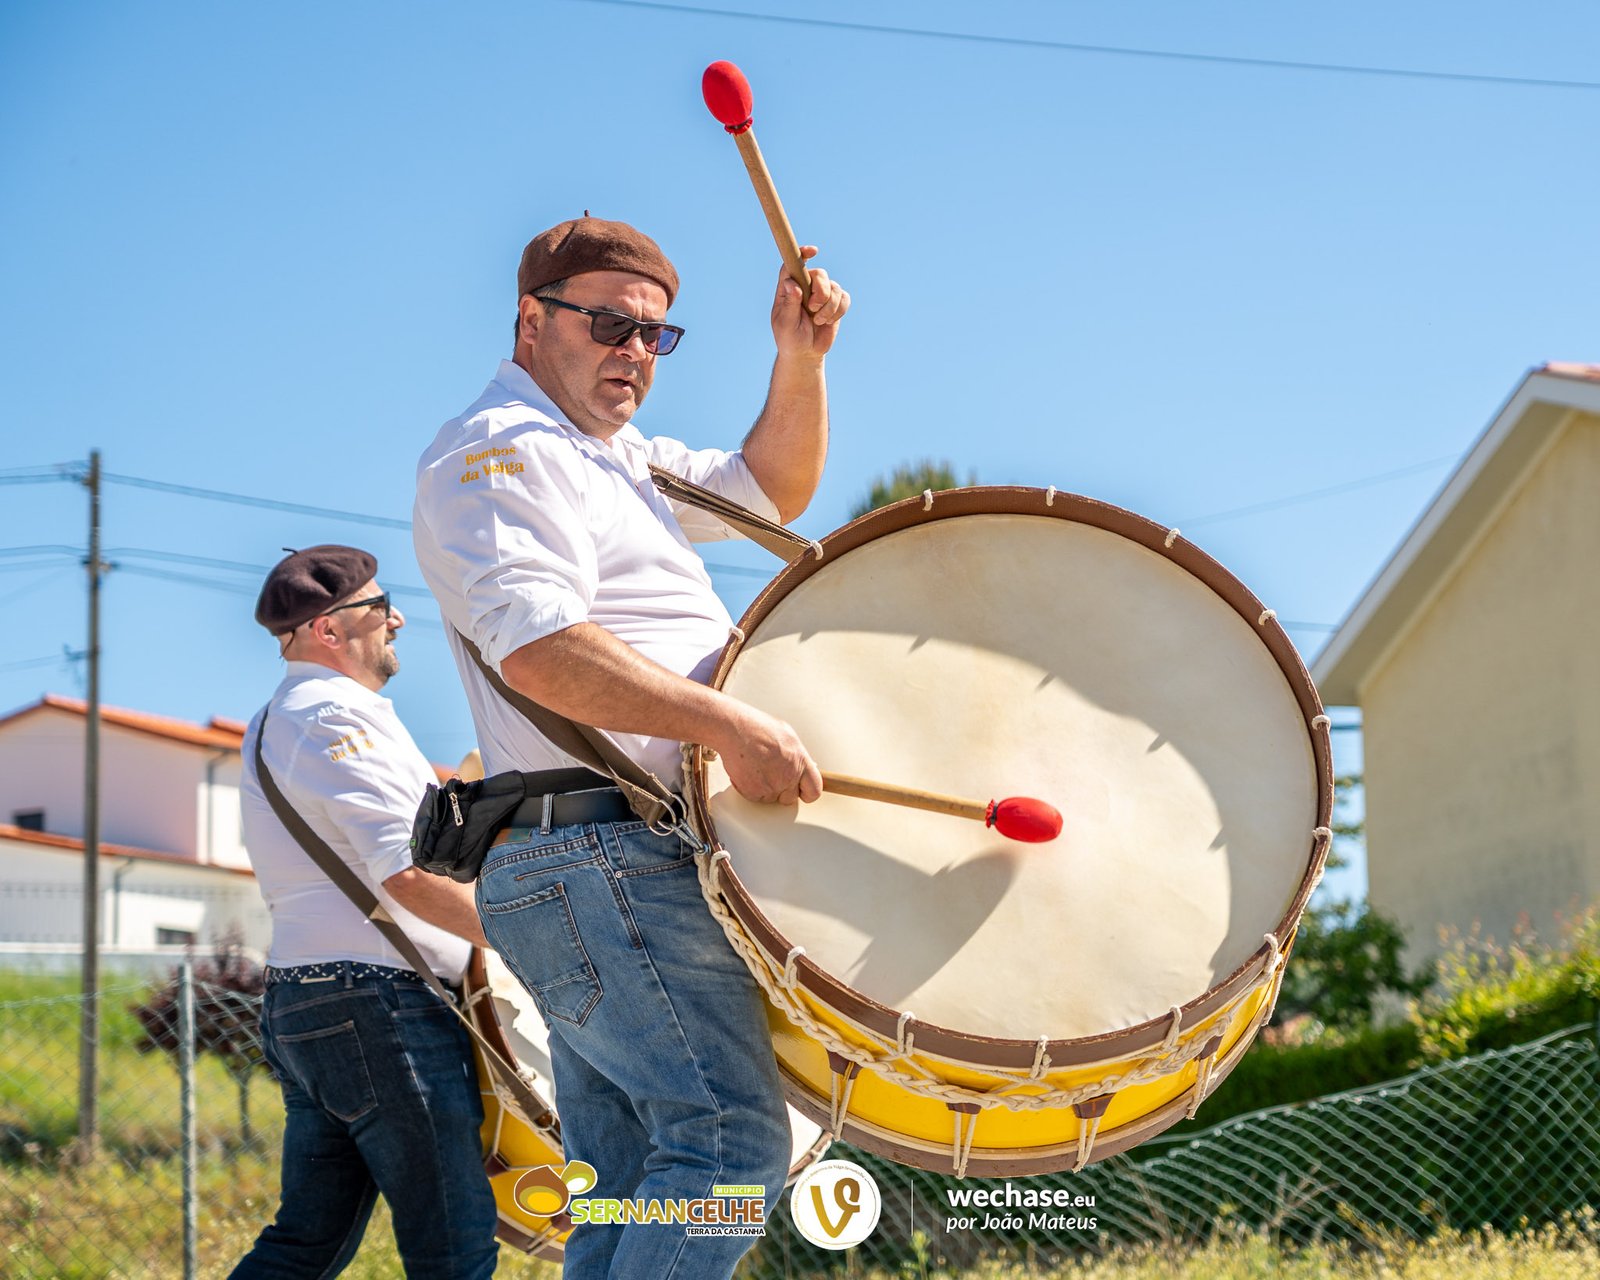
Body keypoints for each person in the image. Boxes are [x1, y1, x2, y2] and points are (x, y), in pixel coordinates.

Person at [413, 216, 849, 1278]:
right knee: (729, 1149)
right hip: (596, 857)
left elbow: (769, 490)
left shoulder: (621, 457)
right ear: (530, 319)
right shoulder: (501, 451)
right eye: (610, 325)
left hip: (593, 860)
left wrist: (799, 355)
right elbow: (541, 650)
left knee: (627, 1171)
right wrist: (731, 723)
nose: (635, 355)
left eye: (658, 336)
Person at [234, 545, 499, 1280]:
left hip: (317, 1001)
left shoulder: (274, 721)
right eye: (381, 608)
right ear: (328, 628)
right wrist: (530, 943)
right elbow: (408, 875)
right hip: (377, 1008)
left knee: (305, 1244)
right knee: (455, 1248)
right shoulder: (333, 719)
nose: (398, 620)